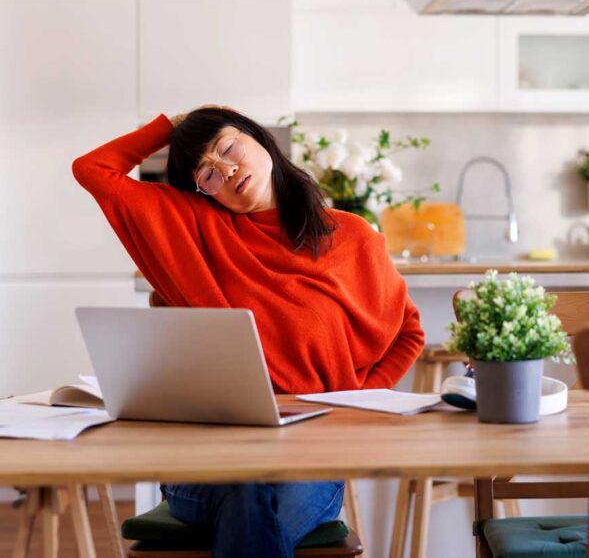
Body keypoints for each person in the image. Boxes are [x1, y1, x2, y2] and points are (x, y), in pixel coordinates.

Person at [72, 106, 425, 557]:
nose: (227, 169)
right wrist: (169, 127)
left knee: (257, 500)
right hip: (210, 453)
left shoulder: (351, 236)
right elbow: (92, 170)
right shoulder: (194, 228)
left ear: (256, 135)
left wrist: (354, 401)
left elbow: (408, 331)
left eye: (227, 147)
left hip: (311, 452)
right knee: (244, 487)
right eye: (208, 174)